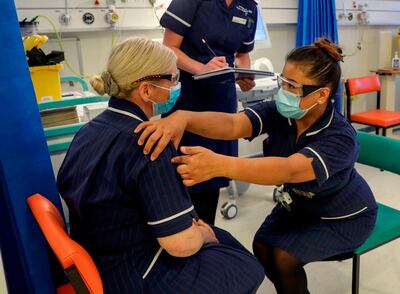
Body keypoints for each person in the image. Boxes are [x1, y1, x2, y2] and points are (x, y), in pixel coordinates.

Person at [134, 38, 378, 294]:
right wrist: (183, 118)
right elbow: (233, 124)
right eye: (282, 80)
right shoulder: (282, 114)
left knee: (284, 258)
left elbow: (289, 169)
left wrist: (219, 165)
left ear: (322, 94)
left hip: (343, 216)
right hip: (300, 205)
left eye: (292, 86)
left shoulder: (339, 137)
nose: (283, 90)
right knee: (262, 246)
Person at [57, 37, 264, 293]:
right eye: (174, 79)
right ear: (146, 90)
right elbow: (181, 244)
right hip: (134, 275)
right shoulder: (149, 143)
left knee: (222, 239)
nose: (178, 86)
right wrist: (202, 235)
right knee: (246, 265)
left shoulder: (89, 130)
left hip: (99, 258)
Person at [157, 0, 259, 224]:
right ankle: (179, 231)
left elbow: (242, 53)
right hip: (189, 96)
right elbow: (169, 47)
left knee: (213, 174)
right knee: (183, 171)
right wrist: (201, 68)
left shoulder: (249, 7)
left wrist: (244, 74)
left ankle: (206, 231)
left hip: (222, 99)